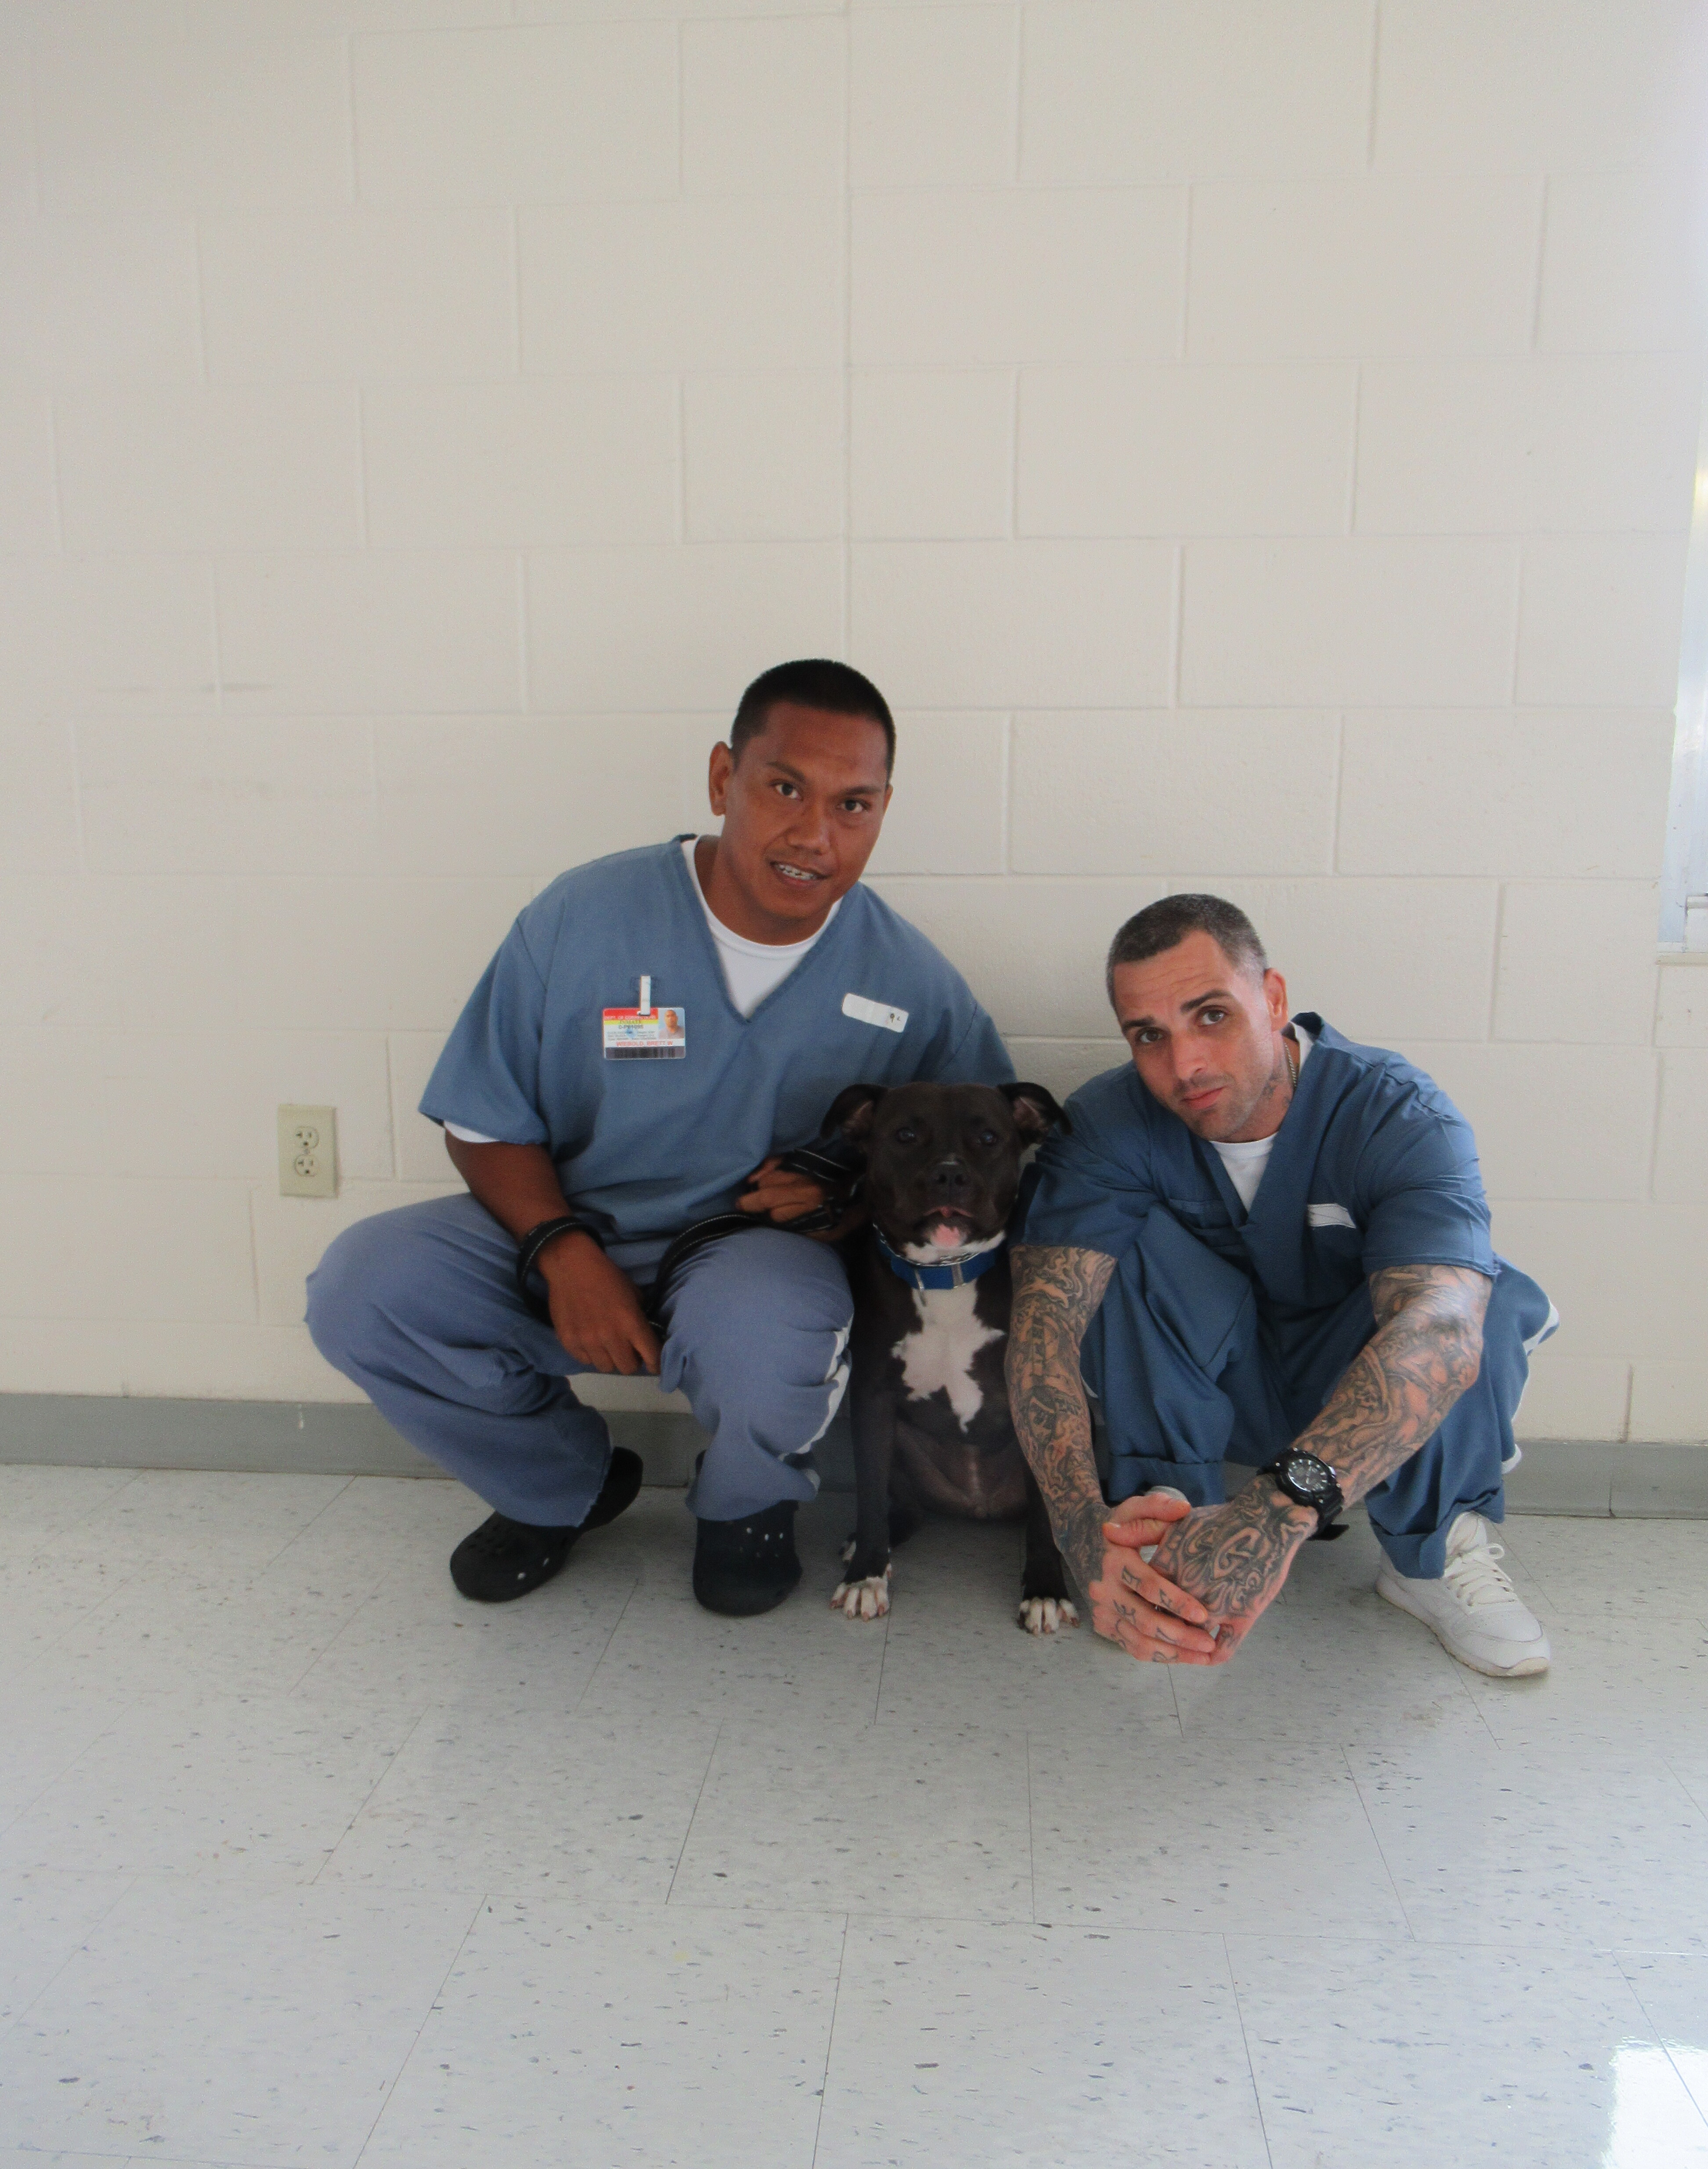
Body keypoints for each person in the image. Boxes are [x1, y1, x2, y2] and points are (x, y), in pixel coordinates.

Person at [307, 660, 1013, 1618]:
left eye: (854, 805)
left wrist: (848, 1204)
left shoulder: (909, 982)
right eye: (784, 788)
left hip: (747, 1259)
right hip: (567, 1217)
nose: (815, 834)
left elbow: (983, 1169)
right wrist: (563, 1253)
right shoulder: (583, 918)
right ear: (724, 777)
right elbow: (483, 1120)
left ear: (885, 810)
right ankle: (558, 1487)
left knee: (781, 1331)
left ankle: (747, 1510)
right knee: (364, 1287)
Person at [1005, 893, 1557, 1679]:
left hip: (1351, 1384)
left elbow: (1438, 1329)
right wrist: (1077, 1525)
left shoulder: (1398, 1114)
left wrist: (1274, 1515)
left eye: (1211, 1016)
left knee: (1468, 1299)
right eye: (1149, 1036)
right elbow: (1042, 1330)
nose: (1185, 1064)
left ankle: (1433, 1552)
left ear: (1273, 1000)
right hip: (1225, 1384)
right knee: (1098, 1259)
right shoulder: (1109, 1124)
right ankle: (1163, 1521)